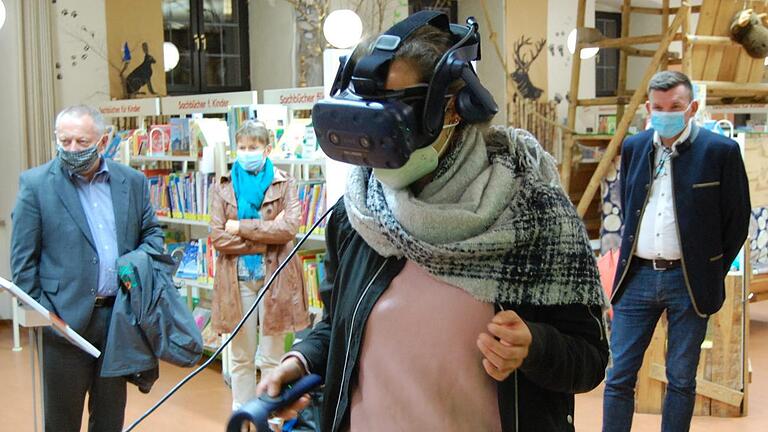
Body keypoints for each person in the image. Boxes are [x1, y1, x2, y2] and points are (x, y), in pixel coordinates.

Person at [256, 15, 609, 432]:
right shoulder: (357, 215)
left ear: (455, 107)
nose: (376, 134)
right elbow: (336, 326)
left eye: (397, 110)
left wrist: (534, 347)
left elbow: (588, 357)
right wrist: (300, 361)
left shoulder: (532, 213)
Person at [603, 71, 751, 432]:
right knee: (619, 375)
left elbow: (737, 220)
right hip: (636, 276)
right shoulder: (635, 146)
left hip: (689, 281)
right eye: (658, 107)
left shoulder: (720, 152)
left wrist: (709, 269)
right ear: (648, 108)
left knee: (681, 379)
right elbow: (628, 204)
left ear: (692, 108)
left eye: (675, 106)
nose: (666, 113)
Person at [10, 105, 164, 432]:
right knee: (62, 421)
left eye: (82, 141)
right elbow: (23, 265)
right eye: (64, 141)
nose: (72, 150)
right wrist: (49, 318)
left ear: (104, 141)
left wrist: (135, 268)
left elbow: (152, 233)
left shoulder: (132, 182)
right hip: (63, 324)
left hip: (117, 321)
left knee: (110, 418)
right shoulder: (36, 185)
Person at [209, 120, 310, 411]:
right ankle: (242, 412)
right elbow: (217, 236)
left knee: (271, 356)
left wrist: (239, 227)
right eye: (242, 147)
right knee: (240, 356)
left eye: (253, 147)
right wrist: (267, 234)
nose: (246, 152)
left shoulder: (284, 182)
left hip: (274, 278)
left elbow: (289, 228)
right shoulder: (223, 186)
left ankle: (269, 412)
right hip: (236, 279)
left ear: (266, 149)